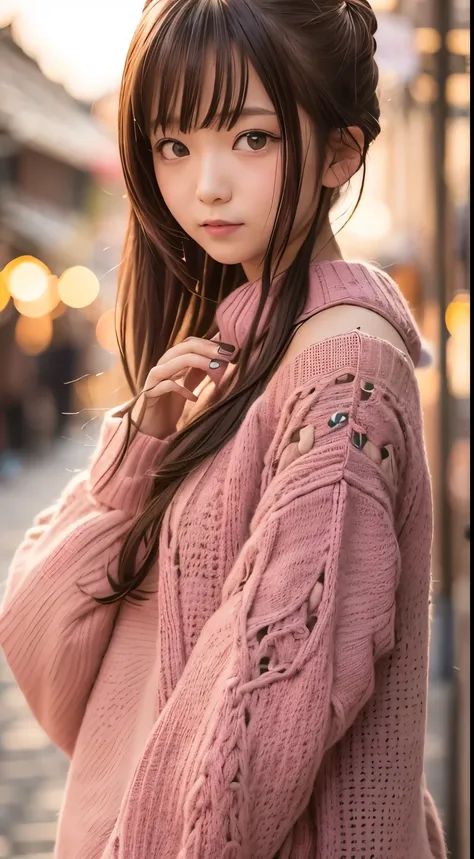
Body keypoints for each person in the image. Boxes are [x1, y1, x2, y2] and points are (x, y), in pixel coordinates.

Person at [0, 1, 447, 857]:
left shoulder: (343, 374)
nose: (206, 183)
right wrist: (139, 453)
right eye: (175, 145)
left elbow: (262, 725)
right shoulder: (234, 358)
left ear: (341, 151)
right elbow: (44, 642)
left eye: (251, 138)